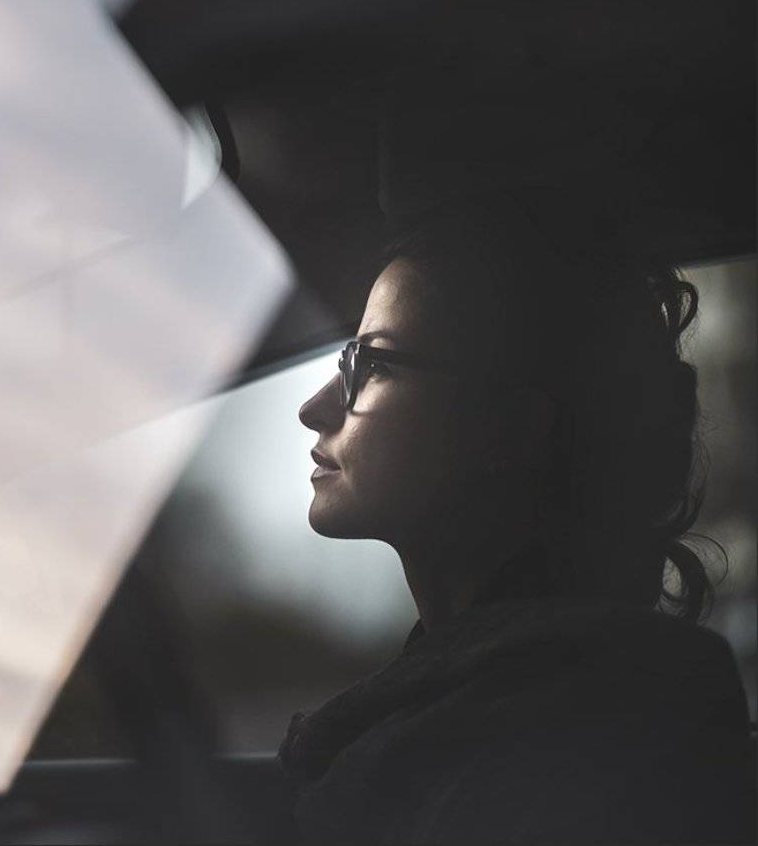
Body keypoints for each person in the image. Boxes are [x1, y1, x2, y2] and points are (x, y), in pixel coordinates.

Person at [282, 195, 755, 844]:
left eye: (377, 364)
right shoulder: (521, 698)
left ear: (509, 428)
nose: (315, 408)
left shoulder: (573, 738)